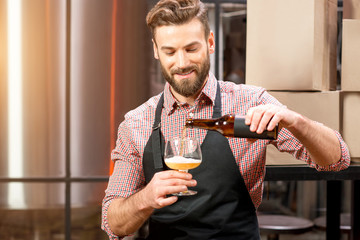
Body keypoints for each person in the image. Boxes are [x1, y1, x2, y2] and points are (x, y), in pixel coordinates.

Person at [101, 0, 350, 239]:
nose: (182, 62)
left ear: (210, 43)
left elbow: (337, 160)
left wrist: (295, 121)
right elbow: (113, 224)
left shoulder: (250, 102)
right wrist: (145, 199)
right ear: (156, 51)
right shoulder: (137, 123)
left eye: (191, 48)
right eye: (170, 52)